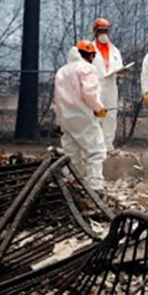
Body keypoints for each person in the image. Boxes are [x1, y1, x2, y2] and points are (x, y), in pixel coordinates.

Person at [54, 41, 108, 191]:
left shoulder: (61, 72)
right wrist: (99, 108)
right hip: (84, 117)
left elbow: (57, 100)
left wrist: (59, 122)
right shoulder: (87, 69)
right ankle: (95, 188)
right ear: (90, 55)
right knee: (95, 152)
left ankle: (70, 186)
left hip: (66, 119)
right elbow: (89, 93)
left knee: (71, 155)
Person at [90, 18, 127, 151]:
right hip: (96, 86)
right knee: (97, 115)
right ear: (95, 31)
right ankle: (96, 145)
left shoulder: (115, 51)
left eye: (106, 31)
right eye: (101, 31)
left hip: (111, 86)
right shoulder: (90, 49)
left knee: (111, 116)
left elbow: (118, 67)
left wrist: (122, 71)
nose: (103, 34)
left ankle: (108, 145)